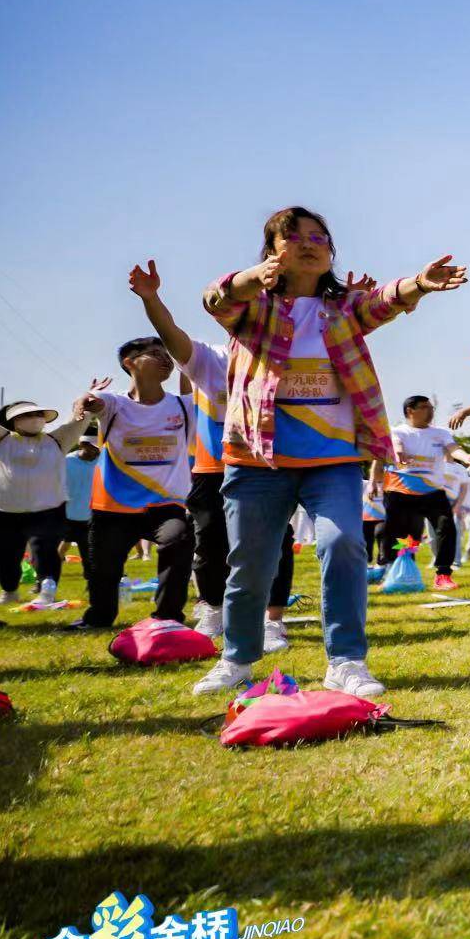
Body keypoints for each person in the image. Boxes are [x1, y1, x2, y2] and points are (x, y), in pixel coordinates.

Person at [186, 207, 467, 699]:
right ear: (272, 249)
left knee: (343, 545)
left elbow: (381, 301)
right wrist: (253, 279)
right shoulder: (253, 308)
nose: (309, 243)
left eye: (320, 237)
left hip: (333, 459)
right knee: (250, 561)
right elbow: (215, 300)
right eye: (294, 236)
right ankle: (237, 660)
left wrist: (418, 283)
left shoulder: (342, 309)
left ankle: (346, 661)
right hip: (257, 459)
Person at [130, 260, 299, 648]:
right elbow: (171, 334)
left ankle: (272, 620)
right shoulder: (211, 359)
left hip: (272, 465)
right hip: (213, 466)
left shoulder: (283, 356)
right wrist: (151, 298)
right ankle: (213, 610)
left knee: (275, 541)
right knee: (210, 542)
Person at [66, 336, 195, 631]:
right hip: (113, 507)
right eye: (153, 353)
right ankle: (99, 617)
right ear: (130, 363)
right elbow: (88, 402)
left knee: (180, 539)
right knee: (104, 571)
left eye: (166, 352)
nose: (163, 358)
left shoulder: (182, 405)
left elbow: (193, 380)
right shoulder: (115, 403)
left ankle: (169, 618)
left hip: (165, 505)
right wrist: (84, 402)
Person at [0, 376, 101, 605]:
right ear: (13, 420)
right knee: (6, 555)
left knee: (45, 548)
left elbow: (79, 421)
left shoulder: (57, 440)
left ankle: (47, 588)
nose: (35, 418)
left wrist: (91, 398)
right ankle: (9, 591)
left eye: (38, 414)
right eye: (28, 415)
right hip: (2, 509)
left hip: (47, 508)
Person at [374, 394, 470, 592]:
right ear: (410, 410)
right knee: (400, 535)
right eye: (425, 407)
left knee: (446, 526)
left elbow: (454, 449)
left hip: (432, 490)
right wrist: (399, 452)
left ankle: (443, 575)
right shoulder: (398, 431)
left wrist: (468, 457)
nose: (431, 411)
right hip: (401, 489)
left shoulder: (441, 433)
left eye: (431, 407)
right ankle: (396, 572)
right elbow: (396, 446)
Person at [60, 429, 99, 595]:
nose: (96, 451)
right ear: (82, 444)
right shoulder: (67, 461)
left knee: (89, 552)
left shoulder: (102, 460)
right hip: (67, 515)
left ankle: (92, 584)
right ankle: (44, 582)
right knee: (57, 549)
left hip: (92, 516)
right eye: (93, 447)